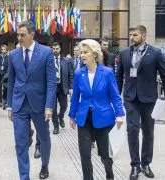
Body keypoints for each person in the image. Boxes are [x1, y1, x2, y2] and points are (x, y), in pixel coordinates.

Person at [68, 39, 125, 180]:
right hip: (84, 118)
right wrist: (72, 115)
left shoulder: (107, 72)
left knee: (105, 155)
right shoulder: (78, 74)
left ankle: (109, 175)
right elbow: (75, 96)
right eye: (81, 52)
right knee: (85, 154)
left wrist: (120, 114)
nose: (82, 55)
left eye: (85, 52)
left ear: (94, 54)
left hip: (104, 119)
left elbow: (115, 96)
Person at [7, 21, 56, 180]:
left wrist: (49, 106)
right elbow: (11, 82)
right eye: (18, 35)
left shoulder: (46, 52)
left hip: (40, 105)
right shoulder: (13, 55)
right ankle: (24, 177)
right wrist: (9, 105)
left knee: (44, 138)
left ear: (32, 34)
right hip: (19, 104)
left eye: (22, 35)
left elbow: (51, 82)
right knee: (20, 143)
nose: (19, 38)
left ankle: (45, 164)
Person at [116, 25, 165, 180]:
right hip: (130, 99)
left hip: (149, 99)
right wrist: (117, 97)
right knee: (132, 130)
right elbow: (119, 76)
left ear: (144, 36)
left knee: (148, 133)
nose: (132, 37)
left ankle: (146, 163)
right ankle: (135, 165)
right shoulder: (124, 53)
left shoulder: (156, 53)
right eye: (131, 35)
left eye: (135, 35)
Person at [51, 42, 73, 134]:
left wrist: (71, 87)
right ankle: (56, 126)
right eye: (54, 48)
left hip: (62, 87)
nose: (55, 50)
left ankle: (60, 117)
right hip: (52, 88)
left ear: (60, 49)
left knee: (64, 106)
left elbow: (70, 74)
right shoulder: (48, 60)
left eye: (57, 48)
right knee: (53, 108)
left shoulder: (66, 61)